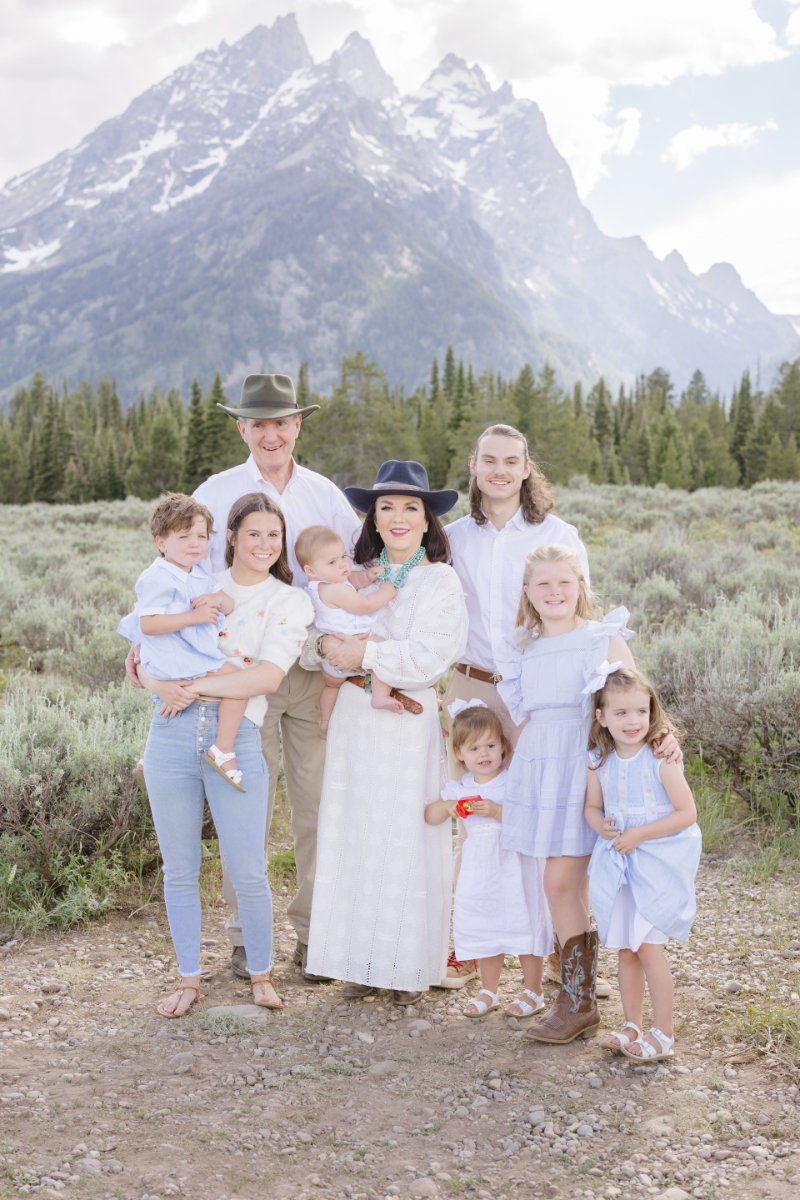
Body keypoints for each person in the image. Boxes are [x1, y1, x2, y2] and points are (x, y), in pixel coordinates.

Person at [191, 374, 362, 980]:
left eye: (281, 422)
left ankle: (316, 937)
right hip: (243, 668)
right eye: (258, 423)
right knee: (247, 806)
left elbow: (355, 569)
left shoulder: (325, 496)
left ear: (297, 426)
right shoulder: (216, 492)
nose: (270, 433)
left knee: (318, 805)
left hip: (313, 669)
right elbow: (184, 568)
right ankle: (246, 936)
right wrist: (151, 642)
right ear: (242, 428)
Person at [136, 493, 313, 1017]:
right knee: (179, 868)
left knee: (248, 867)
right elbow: (144, 650)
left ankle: (261, 972)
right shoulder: (193, 581)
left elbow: (268, 676)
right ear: (231, 537)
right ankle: (188, 978)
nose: (263, 543)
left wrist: (193, 685)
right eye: (252, 532)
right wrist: (154, 681)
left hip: (236, 737)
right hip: (168, 733)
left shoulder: (289, 600)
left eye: (273, 535)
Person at [305, 461, 468, 1003]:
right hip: (355, 714)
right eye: (387, 507)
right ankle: (357, 961)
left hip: (405, 720)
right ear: (373, 518)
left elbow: (432, 654)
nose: (398, 517)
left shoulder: (439, 579)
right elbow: (319, 634)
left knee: (404, 835)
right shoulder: (356, 573)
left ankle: (405, 967)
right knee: (355, 830)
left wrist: (366, 654)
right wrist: (330, 649)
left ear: (428, 522)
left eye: (410, 508)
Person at [440, 423, 590, 991]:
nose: (500, 470)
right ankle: (470, 948)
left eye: (512, 460)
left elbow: (581, 615)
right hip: (471, 687)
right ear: (474, 467)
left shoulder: (558, 534)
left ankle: (560, 951)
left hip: (539, 692)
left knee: (548, 817)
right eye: (489, 460)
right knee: (472, 813)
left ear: (527, 468)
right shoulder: (453, 538)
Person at [498, 544, 644, 1045]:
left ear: (581, 586)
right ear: (528, 593)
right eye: (543, 585)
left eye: (565, 582)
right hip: (542, 770)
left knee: (559, 884)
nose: (554, 592)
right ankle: (580, 997)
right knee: (567, 885)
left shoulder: (599, 640)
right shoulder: (522, 647)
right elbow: (524, 719)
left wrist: (661, 742)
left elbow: (634, 705)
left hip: (585, 770)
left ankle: (578, 999)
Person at [585, 665, 701, 1062]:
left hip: (657, 861)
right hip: (620, 866)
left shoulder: (660, 759)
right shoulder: (599, 760)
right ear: (601, 717)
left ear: (652, 712)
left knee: (649, 948)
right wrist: (600, 825)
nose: (633, 721)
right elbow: (591, 807)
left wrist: (639, 834)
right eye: (621, 713)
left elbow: (687, 813)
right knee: (626, 950)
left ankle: (663, 1032)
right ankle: (631, 1023)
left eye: (640, 711)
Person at [424, 700, 552, 1019]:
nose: (484, 754)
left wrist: (496, 811)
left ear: (503, 747)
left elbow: (529, 819)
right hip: (480, 871)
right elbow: (430, 815)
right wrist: (451, 807)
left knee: (523, 923)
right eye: (474, 748)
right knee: (486, 927)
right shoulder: (461, 787)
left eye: (491, 745)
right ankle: (488, 990)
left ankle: (533, 990)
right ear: (459, 754)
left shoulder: (511, 782)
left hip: (513, 864)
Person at [118, 493, 249, 791]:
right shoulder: (158, 577)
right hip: (175, 657)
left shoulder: (199, 572)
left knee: (175, 708)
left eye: (201, 536)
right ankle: (222, 750)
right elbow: (147, 624)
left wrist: (216, 599)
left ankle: (150, 761)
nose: (195, 544)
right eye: (184, 536)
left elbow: (227, 602)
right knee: (240, 685)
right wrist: (194, 616)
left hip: (188, 655)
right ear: (161, 543)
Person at [295, 524, 402, 734]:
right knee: (381, 649)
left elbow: (353, 579)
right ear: (310, 571)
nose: (343, 564)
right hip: (353, 645)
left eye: (343, 556)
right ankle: (380, 696)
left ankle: (325, 721)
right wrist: (389, 590)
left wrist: (368, 576)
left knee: (331, 687)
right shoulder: (335, 590)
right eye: (332, 562)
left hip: (331, 660)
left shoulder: (325, 583)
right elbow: (365, 605)